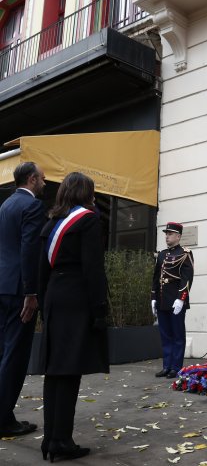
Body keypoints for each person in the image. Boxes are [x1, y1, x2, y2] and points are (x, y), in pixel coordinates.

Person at [38, 172, 109, 462]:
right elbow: (93, 269)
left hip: (55, 296)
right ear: (86, 193)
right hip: (77, 298)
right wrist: (99, 310)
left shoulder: (52, 222)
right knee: (69, 372)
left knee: (54, 372)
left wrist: (45, 305)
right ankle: (62, 442)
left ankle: (50, 439)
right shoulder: (88, 220)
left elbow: (41, 269)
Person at [0, 162, 46, 437]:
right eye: (41, 178)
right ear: (31, 179)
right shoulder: (32, 206)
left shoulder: (5, 206)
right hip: (20, 291)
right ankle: (4, 420)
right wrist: (31, 292)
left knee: (3, 353)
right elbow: (30, 250)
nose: (44, 182)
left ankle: (4, 414)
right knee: (15, 357)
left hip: (3, 286)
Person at [151, 222, 194, 379]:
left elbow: (187, 279)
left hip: (176, 301)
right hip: (162, 300)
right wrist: (153, 298)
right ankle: (166, 366)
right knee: (165, 335)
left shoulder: (185, 253)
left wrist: (181, 299)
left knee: (177, 335)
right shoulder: (162, 254)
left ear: (178, 236)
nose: (167, 236)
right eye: (166, 234)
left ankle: (176, 367)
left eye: (170, 234)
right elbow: (156, 277)